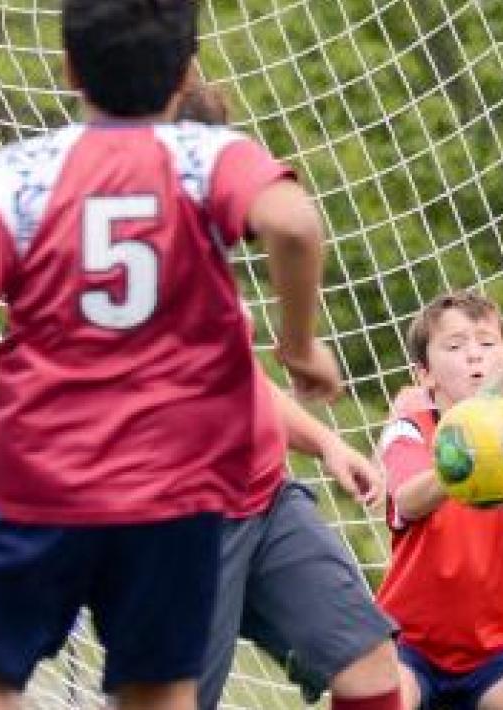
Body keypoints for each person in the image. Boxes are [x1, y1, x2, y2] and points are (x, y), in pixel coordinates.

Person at [0, 0, 340, 705]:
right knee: (157, 690)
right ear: (184, 74)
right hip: (172, 492)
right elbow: (291, 221)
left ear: (70, 68)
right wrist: (300, 345)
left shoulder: (20, 172)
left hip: (44, 482)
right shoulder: (210, 157)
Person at [168, 76, 409, 710]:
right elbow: (295, 226)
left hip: (266, 499)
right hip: (181, 530)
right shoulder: (123, 262)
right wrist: (301, 346)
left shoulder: (206, 262)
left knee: (372, 669)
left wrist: (328, 443)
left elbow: (240, 382)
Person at [375, 290, 503, 710]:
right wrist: (466, 463)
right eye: (455, 346)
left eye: (487, 344)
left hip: (497, 654)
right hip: (409, 646)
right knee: (380, 701)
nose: (475, 356)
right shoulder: (409, 428)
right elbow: (408, 500)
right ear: (425, 375)